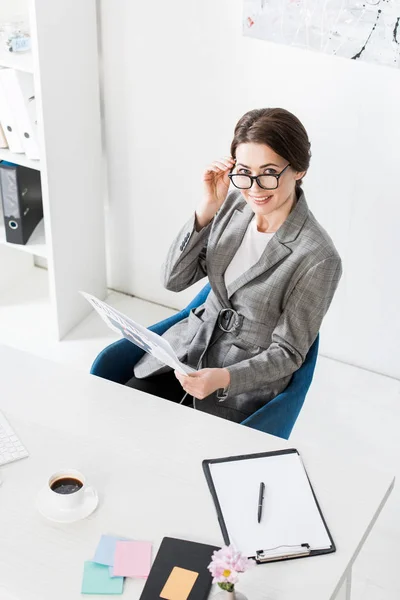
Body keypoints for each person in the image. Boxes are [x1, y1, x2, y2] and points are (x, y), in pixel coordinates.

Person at [126, 108, 342, 423]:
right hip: (184, 354)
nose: (253, 187)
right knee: (120, 417)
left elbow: (288, 354)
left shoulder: (317, 257)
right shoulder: (232, 207)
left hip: (237, 389)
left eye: (268, 172)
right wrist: (206, 210)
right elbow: (173, 279)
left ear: (299, 170)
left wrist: (224, 379)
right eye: (243, 171)